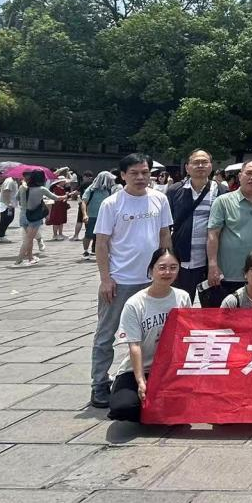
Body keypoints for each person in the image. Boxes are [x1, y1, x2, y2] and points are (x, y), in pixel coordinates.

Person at [90, 153, 173, 409]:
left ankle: (152, 377)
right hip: (120, 280)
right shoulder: (112, 203)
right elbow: (101, 243)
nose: (140, 177)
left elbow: (164, 235)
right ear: (123, 175)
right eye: (134, 173)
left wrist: (168, 269)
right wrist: (105, 279)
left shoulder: (159, 199)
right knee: (107, 333)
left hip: (152, 280)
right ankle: (99, 383)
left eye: (145, 172)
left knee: (157, 333)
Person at [108, 247, 190, 422]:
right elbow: (135, 345)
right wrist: (140, 381)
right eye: (162, 267)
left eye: (173, 267)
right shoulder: (135, 303)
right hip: (139, 369)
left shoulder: (182, 297)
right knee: (124, 407)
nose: (167, 272)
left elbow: (186, 337)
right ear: (151, 270)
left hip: (169, 370)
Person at [206, 161, 252, 305]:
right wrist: (212, 265)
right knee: (223, 316)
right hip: (226, 274)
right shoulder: (223, 201)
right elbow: (213, 234)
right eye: (249, 173)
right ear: (240, 176)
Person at [165, 150, 219, 301]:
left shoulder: (221, 191)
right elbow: (165, 227)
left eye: (204, 162)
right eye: (196, 162)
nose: (200, 165)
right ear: (187, 167)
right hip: (182, 260)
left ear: (210, 166)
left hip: (210, 262)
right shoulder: (175, 191)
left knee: (210, 307)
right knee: (180, 304)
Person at [13, 170, 62, 267]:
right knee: (28, 239)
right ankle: (19, 259)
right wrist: (66, 196)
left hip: (23, 215)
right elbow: (56, 198)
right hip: (34, 216)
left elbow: (17, 198)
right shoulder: (41, 189)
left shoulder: (22, 187)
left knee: (29, 238)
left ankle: (30, 258)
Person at [82, 171, 116, 262]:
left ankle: (104, 252)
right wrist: (85, 214)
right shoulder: (91, 189)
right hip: (92, 215)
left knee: (105, 235)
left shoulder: (109, 190)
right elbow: (84, 202)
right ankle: (86, 251)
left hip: (105, 216)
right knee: (89, 234)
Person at [0, 171, 18, 244]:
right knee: (6, 219)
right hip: (6, 204)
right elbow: (6, 191)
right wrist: (9, 203)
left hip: (8, 204)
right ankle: (0, 235)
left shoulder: (14, 181)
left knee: (6, 219)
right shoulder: (9, 181)